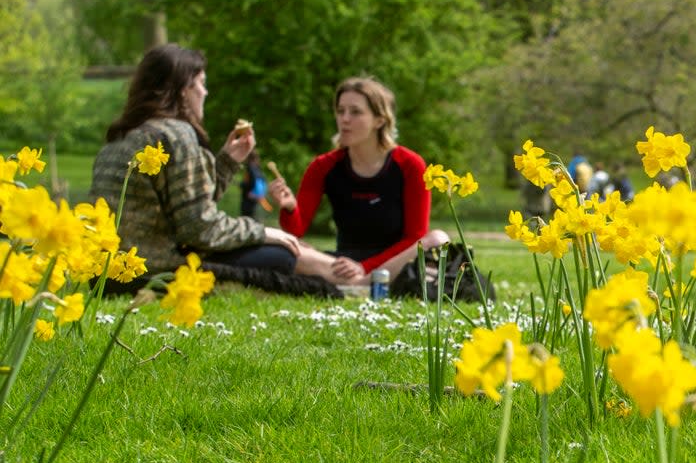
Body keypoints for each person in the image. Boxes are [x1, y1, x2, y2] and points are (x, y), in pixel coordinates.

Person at [89, 44, 347, 289]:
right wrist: (263, 232)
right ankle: (359, 279)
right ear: (182, 90)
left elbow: (183, 208)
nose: (205, 92)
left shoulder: (121, 137)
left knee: (285, 247)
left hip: (107, 272)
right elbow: (198, 228)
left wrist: (227, 162)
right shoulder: (177, 134)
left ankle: (353, 273)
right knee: (281, 254)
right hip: (153, 271)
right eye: (201, 84)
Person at [268, 76, 450, 284]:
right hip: (341, 264)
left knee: (438, 240)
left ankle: (363, 284)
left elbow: (415, 237)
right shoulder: (323, 166)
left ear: (379, 120)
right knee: (284, 246)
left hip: (394, 262)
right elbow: (296, 231)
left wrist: (365, 267)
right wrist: (290, 208)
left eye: (355, 112)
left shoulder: (410, 164)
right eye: (340, 111)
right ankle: (365, 285)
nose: (344, 119)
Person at [240, 150, 268, 220]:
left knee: (246, 219)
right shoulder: (259, 168)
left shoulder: (250, 168)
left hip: (249, 198)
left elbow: (249, 182)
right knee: (254, 218)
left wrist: (242, 185)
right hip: (257, 197)